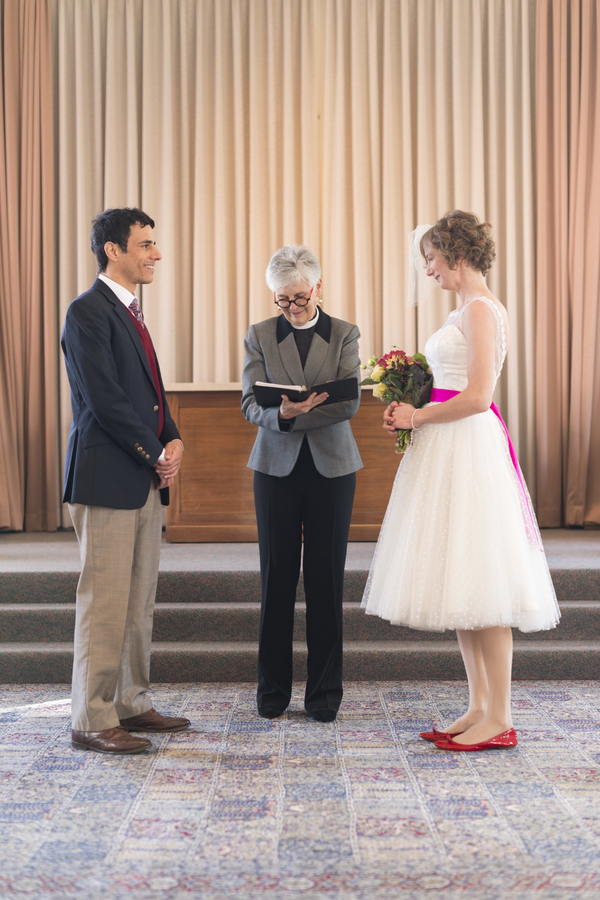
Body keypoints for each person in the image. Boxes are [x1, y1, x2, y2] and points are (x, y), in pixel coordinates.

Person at [361, 211, 560, 751]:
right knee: (462, 581)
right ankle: (478, 705)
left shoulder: (479, 310)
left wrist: (416, 417)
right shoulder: (465, 310)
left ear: (457, 254)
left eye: (431, 257)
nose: (427, 268)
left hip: (468, 446)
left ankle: (500, 715)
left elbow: (476, 397)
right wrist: (409, 403)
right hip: (448, 445)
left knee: (485, 585)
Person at [61, 207, 190, 754]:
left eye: (155, 244)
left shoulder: (132, 313)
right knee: (106, 600)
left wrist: (175, 437)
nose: (156, 253)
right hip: (108, 475)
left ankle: (131, 703)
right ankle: (92, 717)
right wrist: (154, 451)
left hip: (140, 475)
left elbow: (150, 395)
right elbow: (106, 401)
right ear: (113, 250)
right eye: (145, 245)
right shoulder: (86, 312)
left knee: (138, 600)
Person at [242, 245, 363, 722]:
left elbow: (348, 402)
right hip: (275, 468)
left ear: (317, 287)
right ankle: (271, 693)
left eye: (298, 298)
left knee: (326, 581)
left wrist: (294, 413)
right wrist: (285, 416)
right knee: (276, 580)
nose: (291, 308)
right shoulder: (259, 335)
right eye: (281, 300)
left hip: (333, 468)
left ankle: (324, 695)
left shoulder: (344, 333)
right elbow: (251, 404)